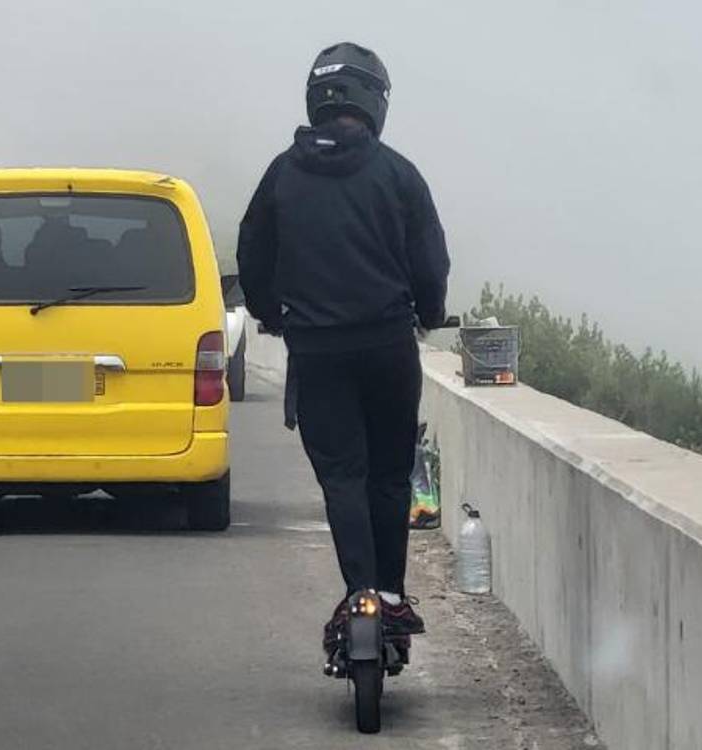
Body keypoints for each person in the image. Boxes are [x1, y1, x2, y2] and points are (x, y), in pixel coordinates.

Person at [236, 42, 451, 646]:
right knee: (389, 474)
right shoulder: (398, 174)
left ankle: (358, 592)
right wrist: (428, 314)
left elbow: (253, 254)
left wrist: (269, 312)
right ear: (376, 102)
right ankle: (389, 596)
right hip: (387, 347)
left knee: (343, 477)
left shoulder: (282, 173)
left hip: (317, 350)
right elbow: (430, 262)